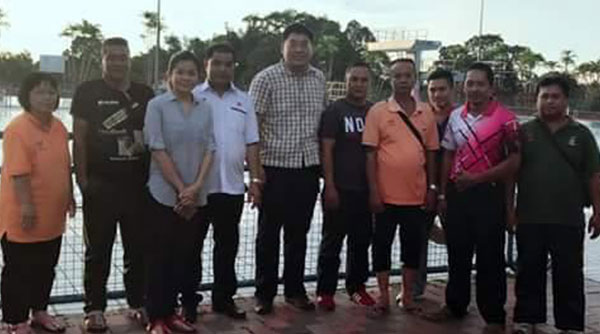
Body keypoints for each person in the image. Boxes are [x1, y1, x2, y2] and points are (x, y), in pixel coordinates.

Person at [71, 37, 154, 331]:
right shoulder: (87, 92)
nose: (118, 62)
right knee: (98, 251)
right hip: (101, 185)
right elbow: (78, 139)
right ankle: (94, 308)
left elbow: (155, 136)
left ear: (130, 58)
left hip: (138, 187)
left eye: (123, 56)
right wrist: (82, 180)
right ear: (103, 60)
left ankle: (137, 302)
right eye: (112, 57)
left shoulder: (145, 93)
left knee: (138, 249)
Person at [431, 62, 519, 332]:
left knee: (490, 258)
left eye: (480, 83)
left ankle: (493, 317)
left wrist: (481, 181)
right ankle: (455, 306)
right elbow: (448, 153)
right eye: (470, 83)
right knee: (457, 253)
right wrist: (444, 193)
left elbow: (515, 161)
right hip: (458, 195)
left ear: (491, 87)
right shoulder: (456, 116)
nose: (475, 89)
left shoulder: (506, 119)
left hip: (488, 195)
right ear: (463, 86)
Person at [510, 74, 600, 334]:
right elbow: (512, 175)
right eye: (544, 96)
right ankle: (527, 318)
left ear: (566, 100)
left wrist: (597, 210)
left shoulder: (581, 135)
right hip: (529, 216)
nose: (550, 101)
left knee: (569, 273)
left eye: (555, 96)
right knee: (528, 270)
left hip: (568, 217)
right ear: (536, 99)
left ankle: (570, 324)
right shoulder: (524, 132)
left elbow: (594, 175)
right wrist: (509, 208)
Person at [249, 23, 327, 315]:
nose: (298, 49)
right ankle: (264, 293)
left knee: (299, 233)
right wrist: (256, 172)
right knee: (268, 234)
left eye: (304, 43)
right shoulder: (265, 79)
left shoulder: (319, 79)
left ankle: (295, 290)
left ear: (311, 47)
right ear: (282, 47)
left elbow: (321, 125)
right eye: (293, 43)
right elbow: (252, 127)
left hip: (307, 169)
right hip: (274, 168)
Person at [143, 51, 214, 334]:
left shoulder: (205, 107)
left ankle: (171, 314)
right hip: (163, 194)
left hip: (195, 196)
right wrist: (182, 188)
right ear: (169, 76)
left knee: (181, 257)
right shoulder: (157, 106)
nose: (186, 77)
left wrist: (195, 188)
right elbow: (157, 148)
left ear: (199, 77)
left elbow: (211, 148)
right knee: (158, 257)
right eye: (180, 72)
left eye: (191, 73)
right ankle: (156, 318)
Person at [362, 58, 439, 316]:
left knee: (412, 248)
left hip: (416, 196)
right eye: (398, 76)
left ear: (415, 78)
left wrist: (432, 187)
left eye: (408, 75)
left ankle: (407, 295)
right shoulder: (378, 112)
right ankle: (383, 295)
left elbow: (431, 153)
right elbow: (370, 154)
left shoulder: (426, 111)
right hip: (384, 196)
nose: (403, 80)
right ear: (390, 79)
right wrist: (373, 191)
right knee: (381, 245)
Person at [0, 72, 75, 334]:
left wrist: (69, 197)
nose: (46, 97)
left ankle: (39, 311)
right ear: (27, 96)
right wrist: (27, 207)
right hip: (23, 214)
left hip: (52, 216)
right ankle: (15, 320)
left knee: (46, 267)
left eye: (51, 92)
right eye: (39, 91)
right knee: (18, 270)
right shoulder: (17, 129)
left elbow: (65, 166)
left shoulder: (59, 127)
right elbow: (18, 173)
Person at [191, 42, 261, 320]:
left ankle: (223, 299)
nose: (222, 69)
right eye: (217, 63)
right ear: (206, 64)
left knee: (227, 246)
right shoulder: (193, 96)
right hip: (197, 188)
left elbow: (252, 142)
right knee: (191, 247)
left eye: (228, 64)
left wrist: (255, 179)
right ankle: (189, 299)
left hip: (231, 187)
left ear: (234, 67)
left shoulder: (244, 100)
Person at [315, 62, 375, 311]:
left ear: (369, 83)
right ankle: (325, 291)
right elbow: (326, 149)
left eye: (363, 80)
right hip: (339, 187)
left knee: (361, 242)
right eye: (354, 80)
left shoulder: (375, 112)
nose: (358, 85)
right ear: (346, 81)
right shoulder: (334, 111)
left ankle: (357, 287)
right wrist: (329, 185)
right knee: (332, 241)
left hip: (365, 189)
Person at [410, 68, 455, 300]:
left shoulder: (460, 117)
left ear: (452, 90)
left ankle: (456, 291)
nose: (438, 95)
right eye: (433, 90)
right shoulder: (420, 116)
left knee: (458, 238)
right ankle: (415, 288)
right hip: (424, 185)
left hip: (454, 187)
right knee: (418, 236)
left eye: (442, 89)